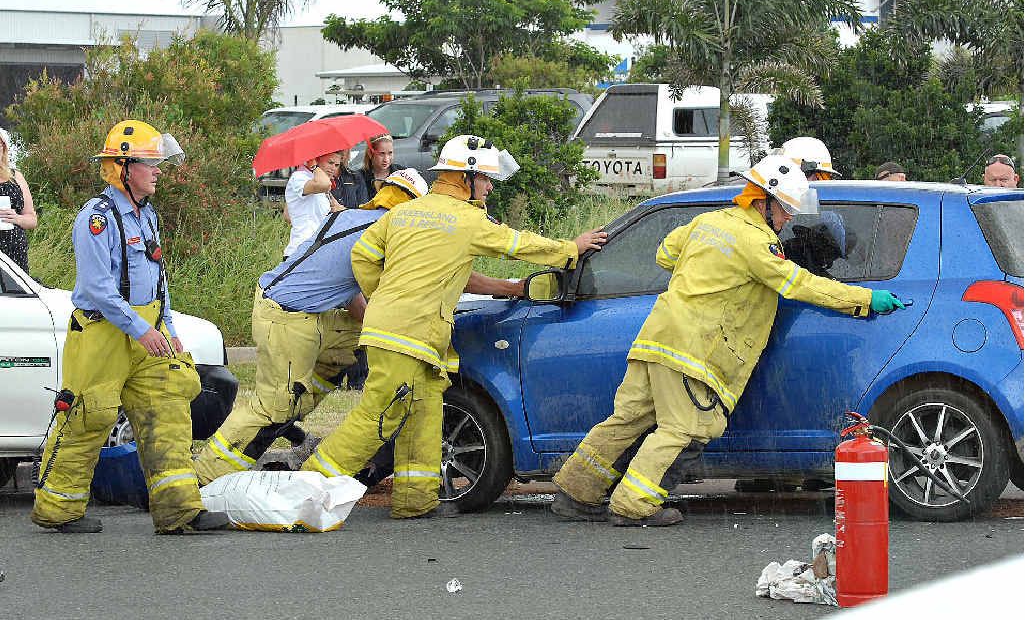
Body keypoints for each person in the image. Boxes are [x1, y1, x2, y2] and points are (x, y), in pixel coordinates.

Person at [550, 154, 906, 527]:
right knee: (684, 428)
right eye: (785, 209)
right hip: (694, 350)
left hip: (657, 338)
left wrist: (707, 270)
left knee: (626, 419)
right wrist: (865, 299)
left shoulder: (708, 222)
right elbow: (798, 284)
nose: (788, 219)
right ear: (763, 201)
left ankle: (576, 493)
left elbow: (665, 253)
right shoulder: (756, 243)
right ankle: (634, 505)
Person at [301, 134, 608, 519]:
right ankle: (306, 488)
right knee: (378, 416)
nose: (490, 187)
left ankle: (416, 501)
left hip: (404, 334)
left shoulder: (406, 212)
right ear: (466, 178)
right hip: (407, 337)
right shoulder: (467, 220)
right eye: (486, 179)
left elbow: (363, 254)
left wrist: (384, 298)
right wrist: (570, 248)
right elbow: (518, 245)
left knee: (425, 414)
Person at [31, 120, 229, 534]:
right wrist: (142, 329)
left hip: (148, 332)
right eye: (150, 164)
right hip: (103, 334)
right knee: (87, 416)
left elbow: (158, 279)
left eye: (158, 163)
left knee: (169, 411)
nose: (158, 171)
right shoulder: (97, 218)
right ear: (123, 167)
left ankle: (179, 511)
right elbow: (98, 289)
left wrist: (167, 326)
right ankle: (59, 510)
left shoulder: (147, 214)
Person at [194, 169, 429, 485]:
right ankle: (203, 477)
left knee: (355, 337)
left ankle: (300, 400)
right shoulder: (383, 233)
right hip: (287, 317)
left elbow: (349, 290)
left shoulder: (348, 217)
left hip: (294, 310)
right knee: (273, 407)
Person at [283, 151, 344, 259]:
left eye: (336, 165)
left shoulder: (321, 183)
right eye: (330, 163)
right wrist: (314, 166)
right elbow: (324, 184)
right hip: (300, 250)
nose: (333, 168)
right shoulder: (300, 177)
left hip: (317, 250)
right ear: (317, 159)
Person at [0, 127, 38, 272]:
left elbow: (32, 220)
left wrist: (16, 218)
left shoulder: (16, 176)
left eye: (0, 144)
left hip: (16, 253)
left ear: (4, 148)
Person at [361, 134, 403, 198]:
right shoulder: (360, 177)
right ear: (370, 153)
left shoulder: (402, 174)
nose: (386, 159)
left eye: (390, 153)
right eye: (382, 154)